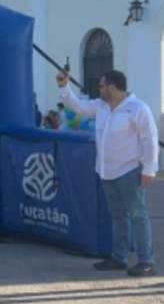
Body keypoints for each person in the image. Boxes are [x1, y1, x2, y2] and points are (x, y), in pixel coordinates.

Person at [58, 69, 159, 277]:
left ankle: (146, 261)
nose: (99, 89)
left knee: (137, 215)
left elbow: (150, 139)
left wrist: (149, 168)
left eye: (102, 85)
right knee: (118, 216)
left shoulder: (138, 109)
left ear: (112, 88)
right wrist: (63, 87)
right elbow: (78, 106)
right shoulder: (100, 106)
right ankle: (119, 257)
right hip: (106, 171)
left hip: (130, 171)